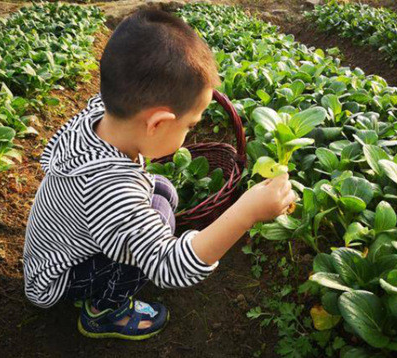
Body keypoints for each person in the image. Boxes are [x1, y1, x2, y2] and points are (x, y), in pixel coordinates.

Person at [23, 9, 295, 340]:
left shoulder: (101, 113)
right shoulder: (109, 189)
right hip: (60, 278)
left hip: (61, 248)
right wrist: (247, 212)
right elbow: (170, 267)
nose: (191, 132)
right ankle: (103, 311)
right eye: (190, 125)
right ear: (157, 124)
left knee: (162, 191)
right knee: (159, 219)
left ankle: (109, 289)